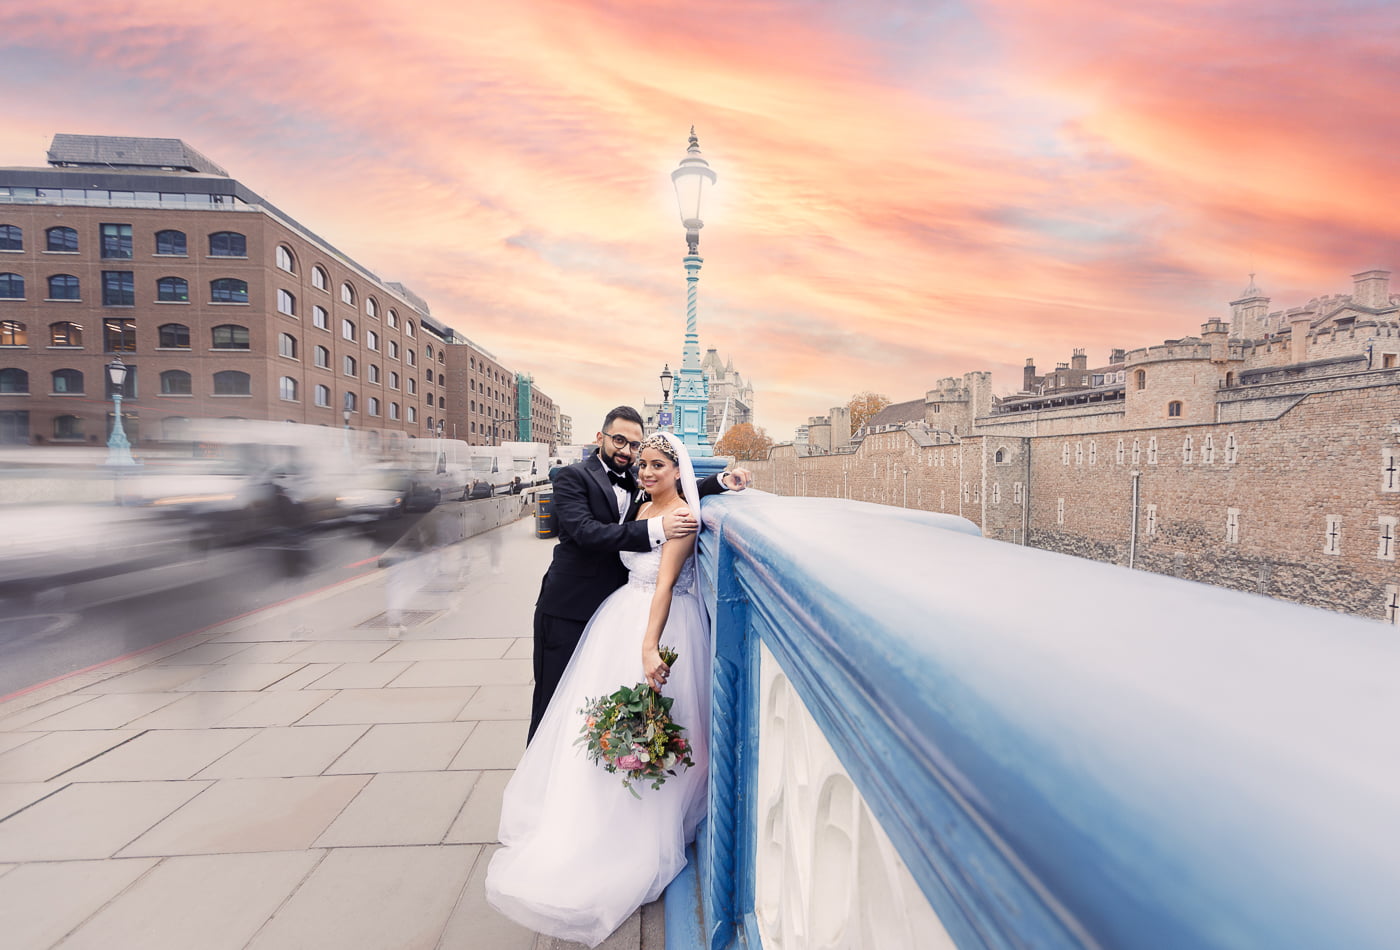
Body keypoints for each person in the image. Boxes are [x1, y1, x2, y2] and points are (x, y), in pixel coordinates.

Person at [487, 432, 713, 946]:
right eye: (643, 463)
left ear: (677, 470)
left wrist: (651, 645)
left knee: (642, 724)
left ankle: (638, 825)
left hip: (656, 626)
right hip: (614, 620)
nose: (647, 471)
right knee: (600, 726)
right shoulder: (641, 504)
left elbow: (664, 585)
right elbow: (599, 532)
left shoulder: (678, 518)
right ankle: (594, 820)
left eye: (658, 464)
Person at [527, 405, 748, 742]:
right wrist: (658, 528)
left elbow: (672, 489)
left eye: (634, 445)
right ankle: (539, 776)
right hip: (567, 608)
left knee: (598, 706)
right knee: (553, 701)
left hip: (616, 609)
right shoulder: (573, 477)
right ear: (600, 437)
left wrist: (720, 481)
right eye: (619, 440)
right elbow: (587, 533)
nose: (627, 451)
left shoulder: (635, 480)